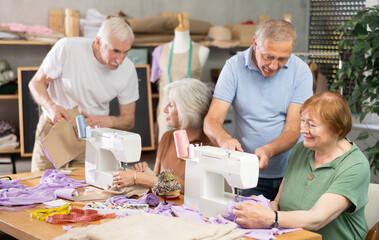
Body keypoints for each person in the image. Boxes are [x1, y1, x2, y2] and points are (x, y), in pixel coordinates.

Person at [233, 92, 370, 239]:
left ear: (337, 130)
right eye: (302, 120)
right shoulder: (301, 150)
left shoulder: (355, 166)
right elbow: (278, 203)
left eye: (311, 124)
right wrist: (260, 206)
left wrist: (270, 217)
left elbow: (317, 218)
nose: (302, 129)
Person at [204, 19, 313, 200]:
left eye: (282, 59)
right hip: (248, 174)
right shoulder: (233, 67)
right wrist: (225, 141)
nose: (273, 66)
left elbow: (293, 130)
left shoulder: (301, 72)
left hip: (292, 173)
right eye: (268, 56)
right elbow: (211, 121)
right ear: (255, 43)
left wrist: (268, 151)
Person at [28, 17, 139, 172]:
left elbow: (128, 120)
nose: (120, 60)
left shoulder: (128, 70)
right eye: (115, 51)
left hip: (91, 139)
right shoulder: (67, 48)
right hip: (53, 131)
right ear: (99, 42)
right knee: (39, 189)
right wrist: (52, 106)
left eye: (126, 52)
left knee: (86, 192)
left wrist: (107, 121)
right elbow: (36, 83)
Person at [113, 78, 213, 194]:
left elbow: (192, 188)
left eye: (171, 105)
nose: (165, 110)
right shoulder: (168, 138)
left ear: (188, 110)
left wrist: (138, 177)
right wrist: (146, 173)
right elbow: (157, 181)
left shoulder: (211, 147)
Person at [151, 13, 210, 141]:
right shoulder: (160, 51)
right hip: (165, 113)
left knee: (191, 152)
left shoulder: (201, 51)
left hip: (191, 115)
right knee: (166, 150)